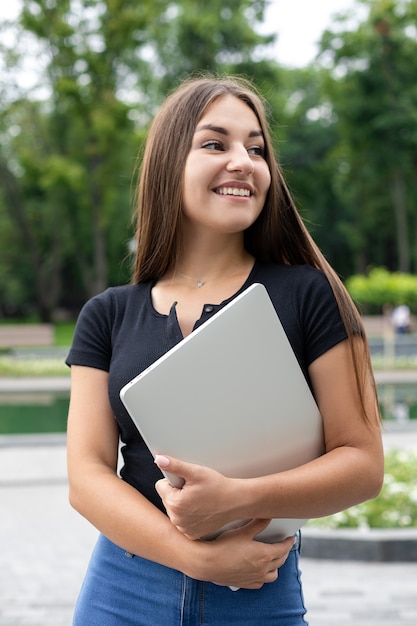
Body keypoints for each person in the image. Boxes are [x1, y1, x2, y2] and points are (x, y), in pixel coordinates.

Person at [66, 75, 384, 625]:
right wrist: (196, 558)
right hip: (122, 591)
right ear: (170, 164)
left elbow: (363, 465)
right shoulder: (107, 314)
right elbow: (87, 477)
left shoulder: (311, 295)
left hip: (260, 592)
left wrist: (241, 497)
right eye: (215, 144)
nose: (243, 161)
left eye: (256, 149)